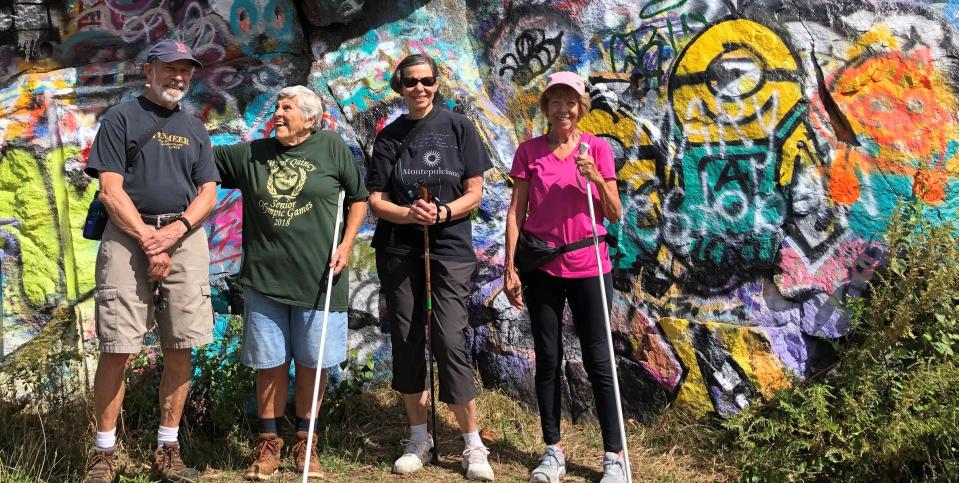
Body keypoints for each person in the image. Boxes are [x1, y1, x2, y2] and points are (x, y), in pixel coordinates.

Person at [213, 85, 369, 480]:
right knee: (269, 363)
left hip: (321, 278)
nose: (278, 114)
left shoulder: (331, 147)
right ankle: (268, 444)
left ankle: (306, 443)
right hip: (265, 279)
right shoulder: (253, 153)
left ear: (310, 118)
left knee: (312, 363)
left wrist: (347, 245)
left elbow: (358, 198)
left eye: (288, 108)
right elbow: (199, 160)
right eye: (277, 107)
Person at [82, 40, 219, 483]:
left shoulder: (196, 128)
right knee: (118, 347)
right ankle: (103, 456)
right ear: (150, 69)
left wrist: (175, 232)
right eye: (170, 68)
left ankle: (168, 449)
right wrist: (148, 240)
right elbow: (110, 189)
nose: (178, 77)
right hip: (127, 237)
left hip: (183, 238)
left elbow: (208, 193)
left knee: (180, 346)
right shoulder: (121, 117)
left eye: (186, 70)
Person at [366, 53, 494, 481]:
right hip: (400, 250)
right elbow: (376, 200)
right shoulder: (389, 136)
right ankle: (418, 436)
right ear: (399, 88)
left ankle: (472, 443)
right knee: (405, 336)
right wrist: (408, 215)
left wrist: (441, 214)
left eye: (426, 81)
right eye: (410, 82)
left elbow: (475, 192)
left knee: (449, 338)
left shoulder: (460, 127)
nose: (419, 88)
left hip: (451, 248)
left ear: (437, 83)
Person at [503, 71, 628, 483]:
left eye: (570, 102)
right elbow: (516, 212)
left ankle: (613, 456)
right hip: (542, 267)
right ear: (546, 108)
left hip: (590, 264)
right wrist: (510, 267)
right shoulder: (529, 152)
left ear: (581, 106)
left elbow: (614, 213)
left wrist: (595, 179)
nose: (563, 110)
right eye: (555, 102)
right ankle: (552, 450)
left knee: (599, 359)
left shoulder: (598, 149)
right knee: (548, 359)